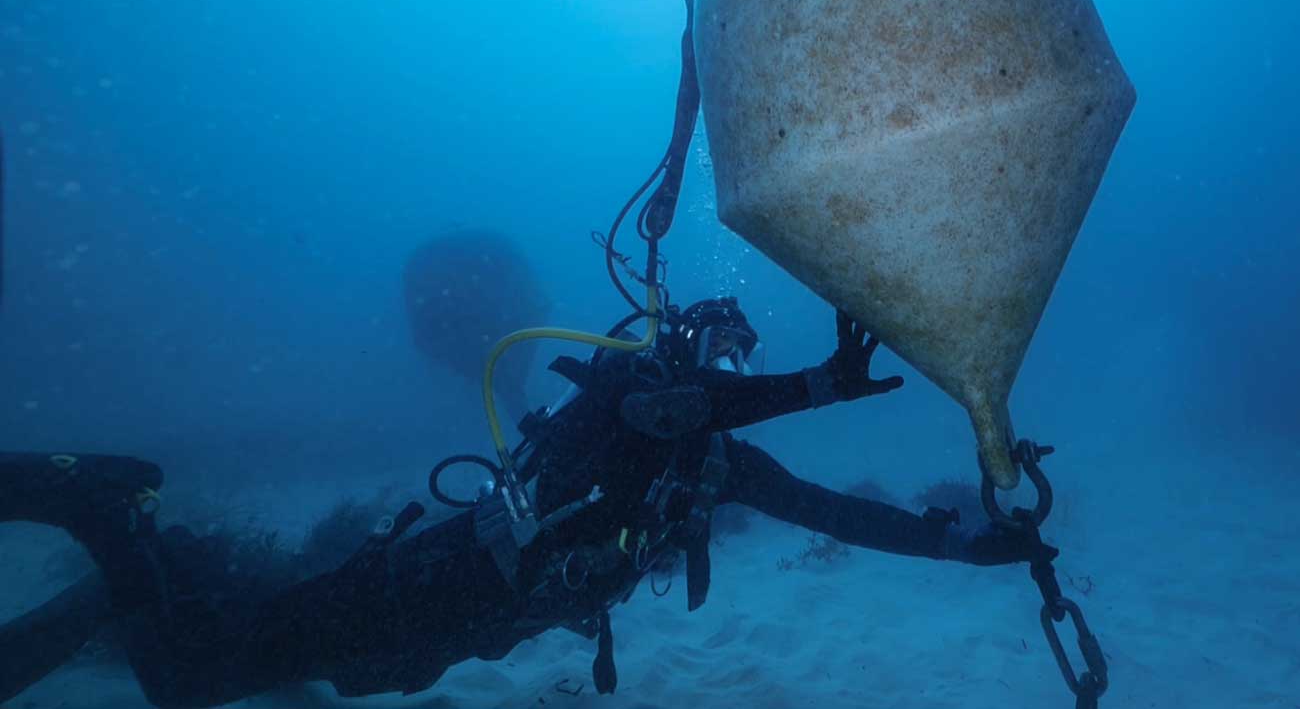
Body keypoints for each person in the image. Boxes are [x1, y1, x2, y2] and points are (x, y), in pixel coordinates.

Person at [0, 299, 1055, 708]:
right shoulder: (631, 401)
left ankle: (140, 553)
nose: (727, 382)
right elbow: (681, 402)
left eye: (745, 362)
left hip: (449, 629)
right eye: (721, 359)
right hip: (424, 585)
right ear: (683, 352)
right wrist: (814, 386)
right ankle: (108, 506)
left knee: (239, 654)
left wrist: (971, 549)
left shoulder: (715, 465)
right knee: (187, 677)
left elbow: (838, 512)